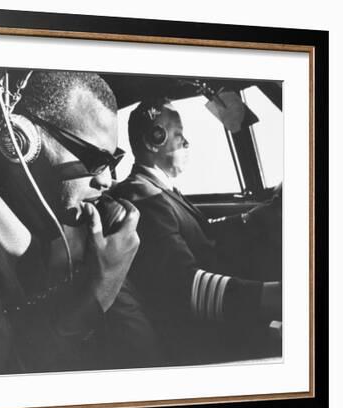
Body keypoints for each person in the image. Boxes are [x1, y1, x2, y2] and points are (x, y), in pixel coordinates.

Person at [0, 70, 159, 377]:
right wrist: (102, 288)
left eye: (112, 161)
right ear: (22, 140)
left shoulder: (59, 202)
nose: (107, 180)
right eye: (94, 159)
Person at [113, 97, 282, 366]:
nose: (187, 143)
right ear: (152, 139)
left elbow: (201, 233)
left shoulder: (161, 190)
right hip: (198, 338)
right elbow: (183, 287)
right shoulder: (142, 197)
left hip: (208, 323)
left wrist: (251, 218)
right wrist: (273, 296)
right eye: (179, 134)